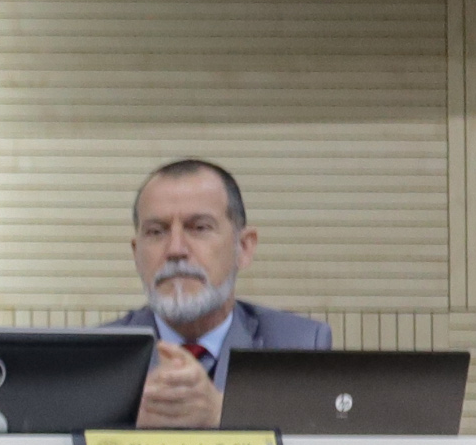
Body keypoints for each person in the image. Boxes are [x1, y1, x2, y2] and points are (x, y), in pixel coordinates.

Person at [102, 158, 330, 429]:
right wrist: (126, 426)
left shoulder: (300, 346)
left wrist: (222, 416)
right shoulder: (99, 358)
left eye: (199, 228)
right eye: (156, 232)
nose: (175, 249)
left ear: (243, 248)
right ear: (136, 254)